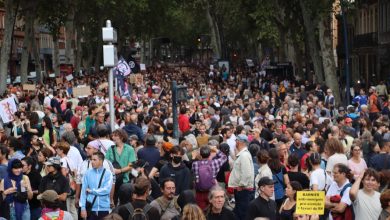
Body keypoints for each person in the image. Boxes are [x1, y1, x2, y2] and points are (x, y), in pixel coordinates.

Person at [75, 140, 116, 210]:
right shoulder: (84, 163)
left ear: (96, 149)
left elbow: (112, 182)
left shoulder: (106, 163)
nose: (86, 150)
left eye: (89, 148)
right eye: (86, 148)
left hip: (102, 202)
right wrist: (77, 197)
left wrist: (111, 199)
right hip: (87, 202)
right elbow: (79, 181)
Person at [228, 134, 255, 220]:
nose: (235, 142)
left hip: (243, 190)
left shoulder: (244, 155)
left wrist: (241, 185)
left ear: (239, 142)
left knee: (242, 213)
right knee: (240, 211)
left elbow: (246, 173)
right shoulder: (243, 154)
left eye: (236, 140)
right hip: (242, 189)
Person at [192, 145, 227, 210]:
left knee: (201, 211)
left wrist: (194, 157)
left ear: (200, 154)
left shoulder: (195, 164)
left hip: (200, 192)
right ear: (210, 154)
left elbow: (194, 174)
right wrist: (215, 149)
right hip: (212, 191)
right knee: (213, 210)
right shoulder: (215, 163)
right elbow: (224, 157)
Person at [105, 128, 136, 203]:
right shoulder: (110, 149)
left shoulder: (130, 149)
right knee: (113, 201)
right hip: (112, 180)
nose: (113, 137)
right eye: (113, 136)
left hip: (125, 180)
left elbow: (131, 165)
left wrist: (120, 170)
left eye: (115, 136)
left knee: (125, 201)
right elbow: (106, 163)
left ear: (121, 137)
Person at [80, 151, 113, 220]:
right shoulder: (87, 173)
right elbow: (83, 192)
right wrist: (83, 208)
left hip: (104, 209)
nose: (92, 162)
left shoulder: (108, 173)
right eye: (91, 159)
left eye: (94, 160)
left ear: (101, 161)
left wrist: (92, 191)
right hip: (90, 208)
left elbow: (106, 190)